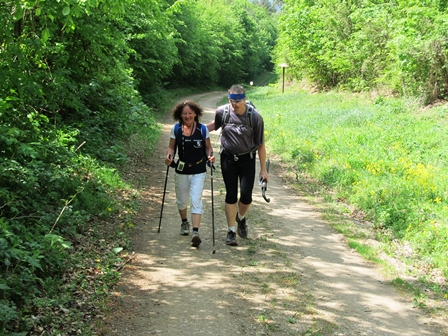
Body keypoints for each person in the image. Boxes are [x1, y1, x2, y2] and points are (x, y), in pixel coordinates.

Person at [207, 84, 268, 246]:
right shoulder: (223, 112)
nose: (236, 104)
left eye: (239, 101)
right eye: (233, 101)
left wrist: (263, 169)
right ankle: (231, 231)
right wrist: (196, 129)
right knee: (230, 195)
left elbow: (261, 145)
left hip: (247, 158)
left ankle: (240, 218)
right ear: (229, 99)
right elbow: (215, 125)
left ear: (245, 99)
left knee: (246, 197)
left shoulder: (255, 117)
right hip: (228, 158)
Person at [165, 100, 215, 247]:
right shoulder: (176, 129)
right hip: (181, 169)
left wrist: (211, 156)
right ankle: (184, 222)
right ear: (180, 115)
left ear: (195, 114)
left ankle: (195, 232)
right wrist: (169, 157)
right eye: (184, 113)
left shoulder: (202, 129)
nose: (187, 116)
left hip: (199, 169)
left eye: (190, 113)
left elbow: (208, 148)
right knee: (181, 200)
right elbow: (171, 147)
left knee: (195, 199)